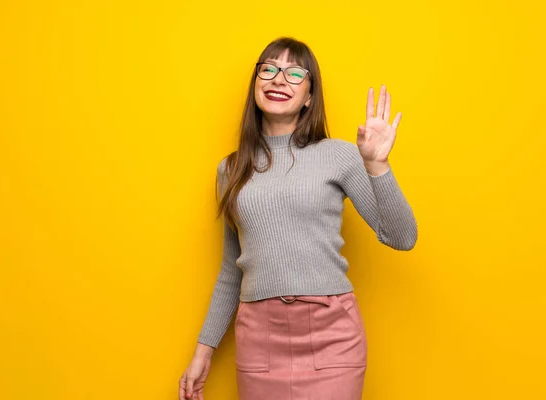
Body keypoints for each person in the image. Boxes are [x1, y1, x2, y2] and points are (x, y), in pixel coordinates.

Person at [179, 36, 418, 400]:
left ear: (309, 96)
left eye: (294, 73)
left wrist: (378, 165)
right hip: (260, 339)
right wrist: (203, 352)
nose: (278, 79)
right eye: (269, 69)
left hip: (331, 335)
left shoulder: (339, 155)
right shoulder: (231, 169)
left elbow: (402, 237)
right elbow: (232, 271)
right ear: (256, 84)